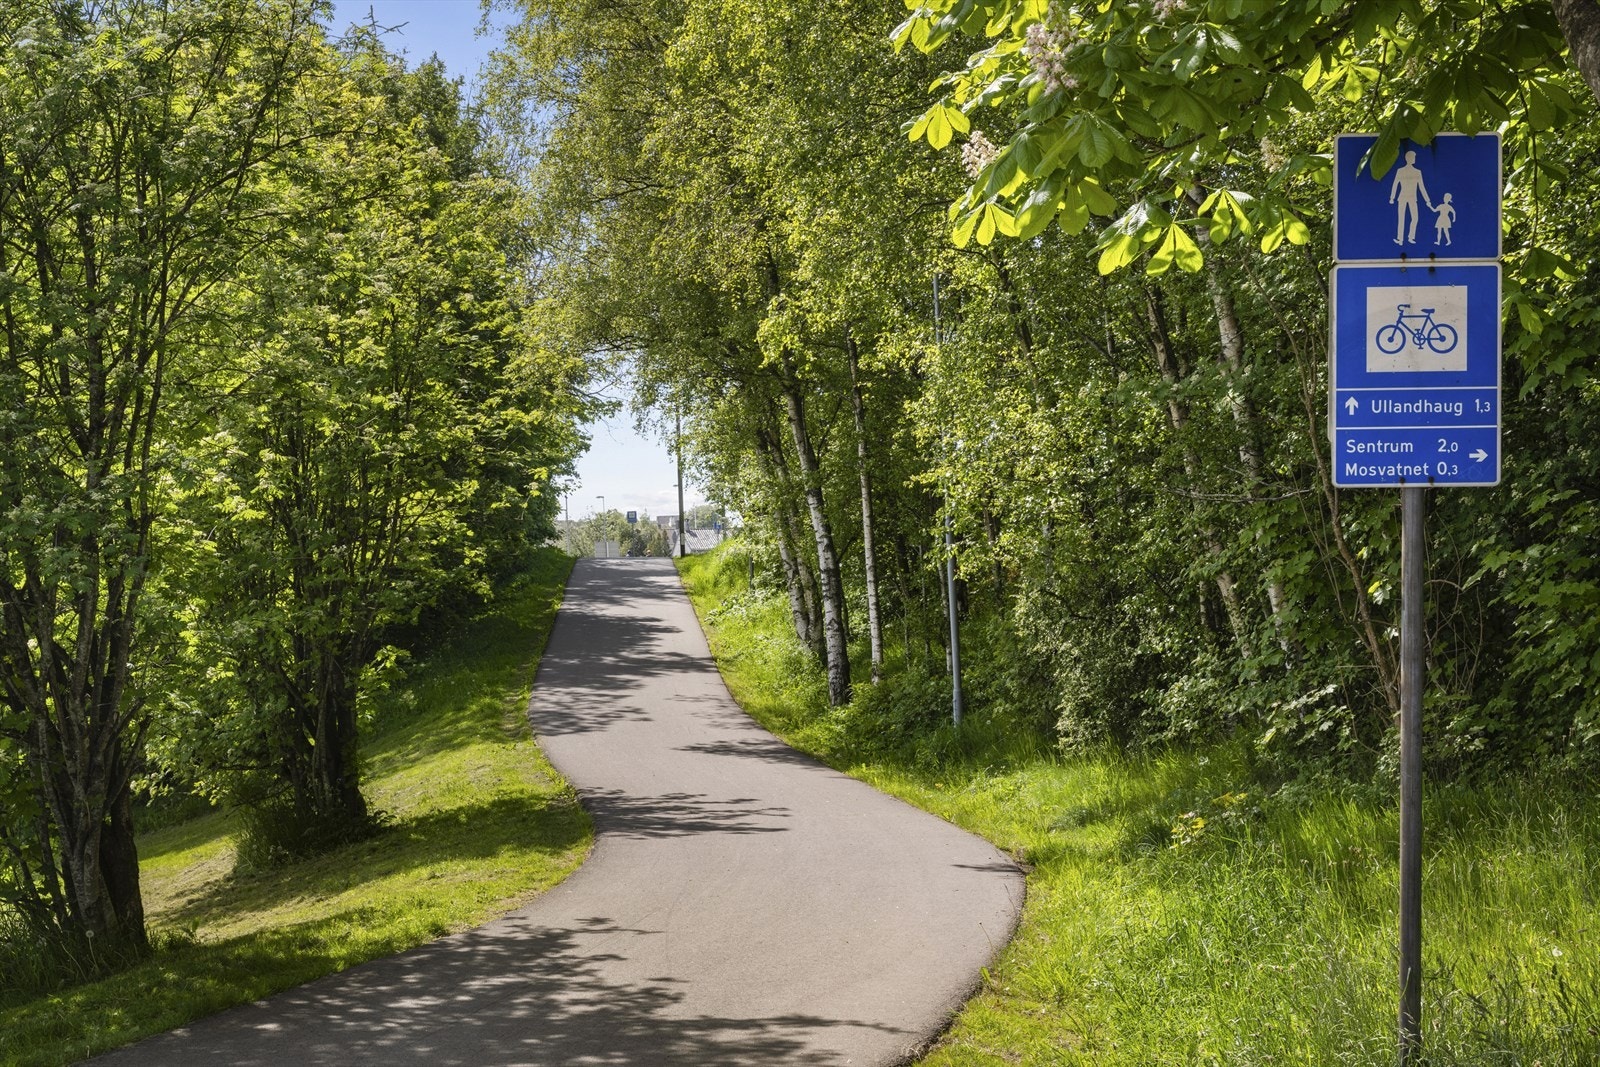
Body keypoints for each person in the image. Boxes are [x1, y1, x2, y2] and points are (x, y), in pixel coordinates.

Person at [1389, 150, 1433, 246]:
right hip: (1402, 197)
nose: (1414, 159)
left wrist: (1427, 200)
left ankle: (1411, 237)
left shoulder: (1418, 172)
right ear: (1408, 158)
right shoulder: (1400, 171)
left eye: (1414, 157)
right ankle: (1400, 239)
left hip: (1413, 198)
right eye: (1413, 157)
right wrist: (1392, 198)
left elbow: (1422, 187)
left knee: (1415, 218)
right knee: (1401, 218)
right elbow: (1395, 184)